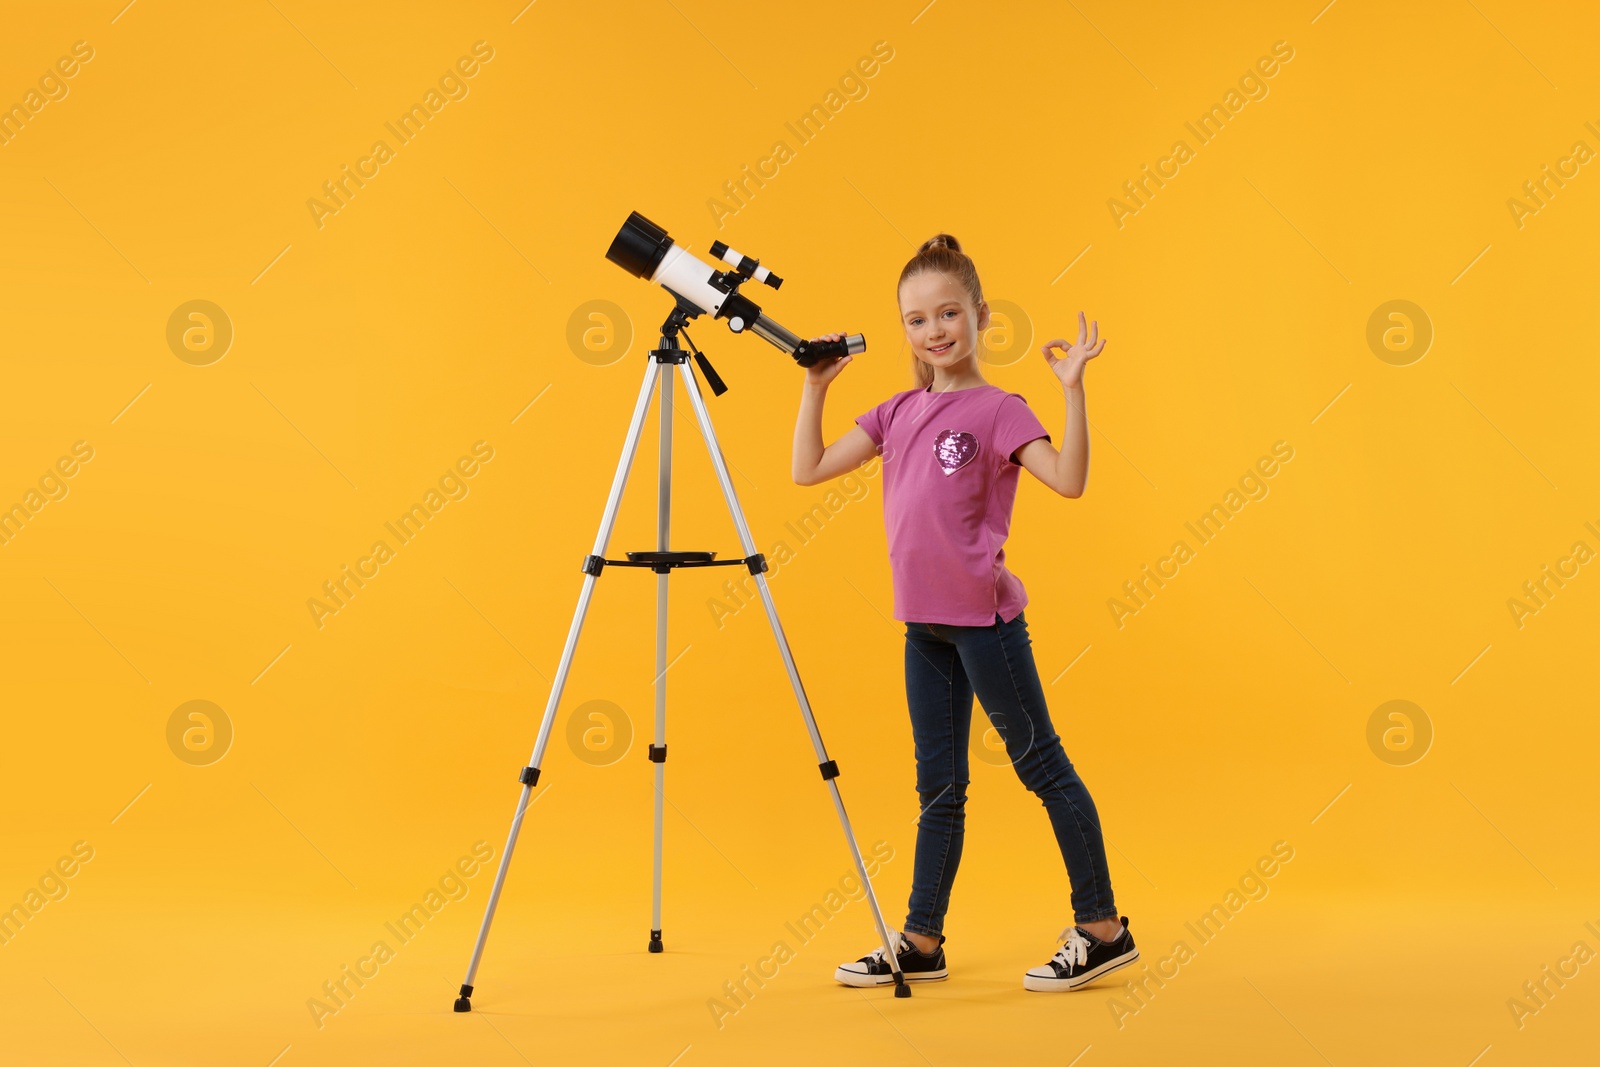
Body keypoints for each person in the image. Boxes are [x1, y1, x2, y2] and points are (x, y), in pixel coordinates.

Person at [790, 233, 1138, 993]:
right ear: (903, 329)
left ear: (981, 315)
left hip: (986, 626)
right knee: (939, 786)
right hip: (924, 627)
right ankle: (921, 940)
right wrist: (816, 386)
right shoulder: (896, 411)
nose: (935, 330)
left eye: (949, 313)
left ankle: (1103, 926)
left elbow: (1070, 480)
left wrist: (1073, 389)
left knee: (1041, 764)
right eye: (917, 320)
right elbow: (808, 468)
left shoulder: (999, 409)